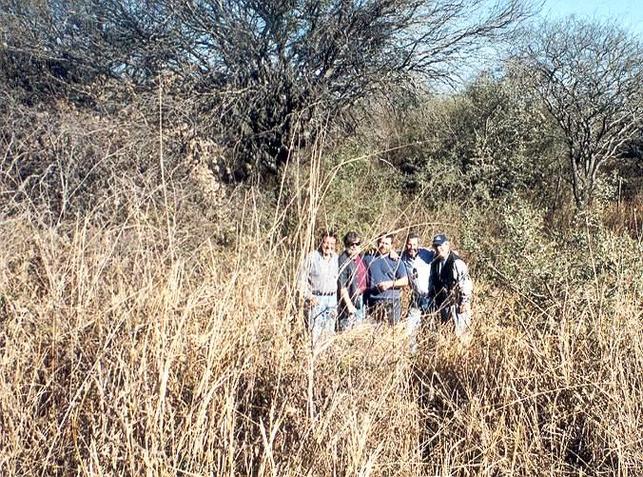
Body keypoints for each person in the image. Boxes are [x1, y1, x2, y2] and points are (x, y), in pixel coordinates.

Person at [298, 231, 339, 348]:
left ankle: (326, 361)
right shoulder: (312, 257)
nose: (328, 246)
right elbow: (300, 280)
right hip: (316, 300)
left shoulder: (337, 258)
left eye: (332, 244)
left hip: (332, 300)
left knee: (329, 333)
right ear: (321, 242)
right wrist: (309, 296)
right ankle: (314, 360)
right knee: (315, 334)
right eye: (326, 243)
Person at [428, 233, 473, 337]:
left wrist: (464, 302)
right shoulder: (436, 262)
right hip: (444, 305)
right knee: (447, 335)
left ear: (447, 245)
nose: (439, 248)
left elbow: (466, 283)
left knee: (461, 336)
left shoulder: (456, 262)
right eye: (436, 246)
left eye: (441, 245)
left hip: (458, 305)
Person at [364, 233, 408, 325]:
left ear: (392, 245)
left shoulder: (396, 260)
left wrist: (390, 284)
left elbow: (405, 281)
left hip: (392, 301)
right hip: (374, 300)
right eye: (381, 242)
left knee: (393, 329)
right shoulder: (369, 257)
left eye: (386, 243)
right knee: (375, 330)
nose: (383, 245)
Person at [400, 232, 434, 351]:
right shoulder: (402, 257)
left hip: (430, 297)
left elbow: (443, 253)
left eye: (414, 244)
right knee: (410, 327)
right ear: (406, 245)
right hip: (416, 297)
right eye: (409, 244)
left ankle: (428, 352)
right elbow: (390, 253)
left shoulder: (427, 254)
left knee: (430, 327)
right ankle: (412, 353)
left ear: (418, 245)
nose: (412, 247)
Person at [337, 231, 368, 331]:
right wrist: (349, 305)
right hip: (350, 302)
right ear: (346, 245)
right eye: (351, 244)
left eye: (357, 244)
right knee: (348, 332)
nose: (354, 247)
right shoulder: (343, 260)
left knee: (359, 332)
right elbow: (342, 286)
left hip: (362, 300)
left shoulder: (361, 256)